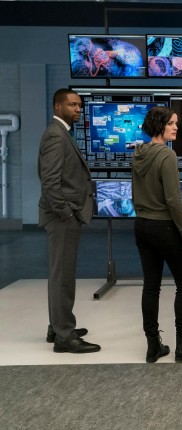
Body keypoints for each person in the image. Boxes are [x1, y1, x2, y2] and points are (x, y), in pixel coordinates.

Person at [132, 106, 182, 363]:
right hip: (164, 227)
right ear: (159, 126)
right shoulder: (167, 155)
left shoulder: (138, 153)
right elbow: (173, 200)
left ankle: (153, 346)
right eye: (171, 124)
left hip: (142, 225)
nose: (176, 127)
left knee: (151, 286)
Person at [38, 88, 100, 353]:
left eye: (79, 105)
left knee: (61, 274)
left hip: (64, 215)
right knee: (62, 276)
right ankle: (64, 336)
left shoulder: (61, 132)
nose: (78, 109)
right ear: (58, 106)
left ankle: (58, 326)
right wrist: (66, 214)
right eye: (72, 105)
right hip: (62, 217)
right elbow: (50, 182)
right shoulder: (56, 135)